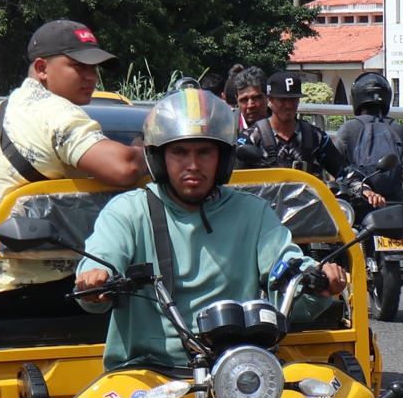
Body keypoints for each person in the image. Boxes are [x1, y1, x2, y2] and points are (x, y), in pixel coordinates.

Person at [74, 90, 349, 371]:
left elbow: (288, 269)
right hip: (143, 372)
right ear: (158, 158)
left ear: (224, 159)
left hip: (236, 371)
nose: (193, 165)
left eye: (205, 152)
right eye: (179, 152)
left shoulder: (253, 213)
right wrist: (95, 280)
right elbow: (102, 259)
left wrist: (318, 283)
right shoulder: (128, 211)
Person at [0, 19, 146, 317]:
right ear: (42, 69)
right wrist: (157, 149)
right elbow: (124, 168)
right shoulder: (53, 112)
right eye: (79, 66)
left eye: (95, 68)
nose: (92, 77)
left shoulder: (0, 110)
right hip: (22, 288)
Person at [247, 73, 380, 213]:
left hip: (308, 216)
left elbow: (342, 170)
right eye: (282, 100)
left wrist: (363, 189)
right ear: (270, 100)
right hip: (264, 214)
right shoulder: (252, 137)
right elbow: (235, 180)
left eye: (293, 100)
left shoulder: (314, 136)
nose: (289, 105)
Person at [329, 72, 403, 201]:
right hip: (395, 201)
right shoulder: (397, 128)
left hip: (359, 200)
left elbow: (334, 170)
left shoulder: (349, 128)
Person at [232, 70, 269, 141]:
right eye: (244, 100)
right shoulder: (228, 127)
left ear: (267, 97)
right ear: (237, 100)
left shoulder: (281, 123)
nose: (250, 105)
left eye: (256, 98)